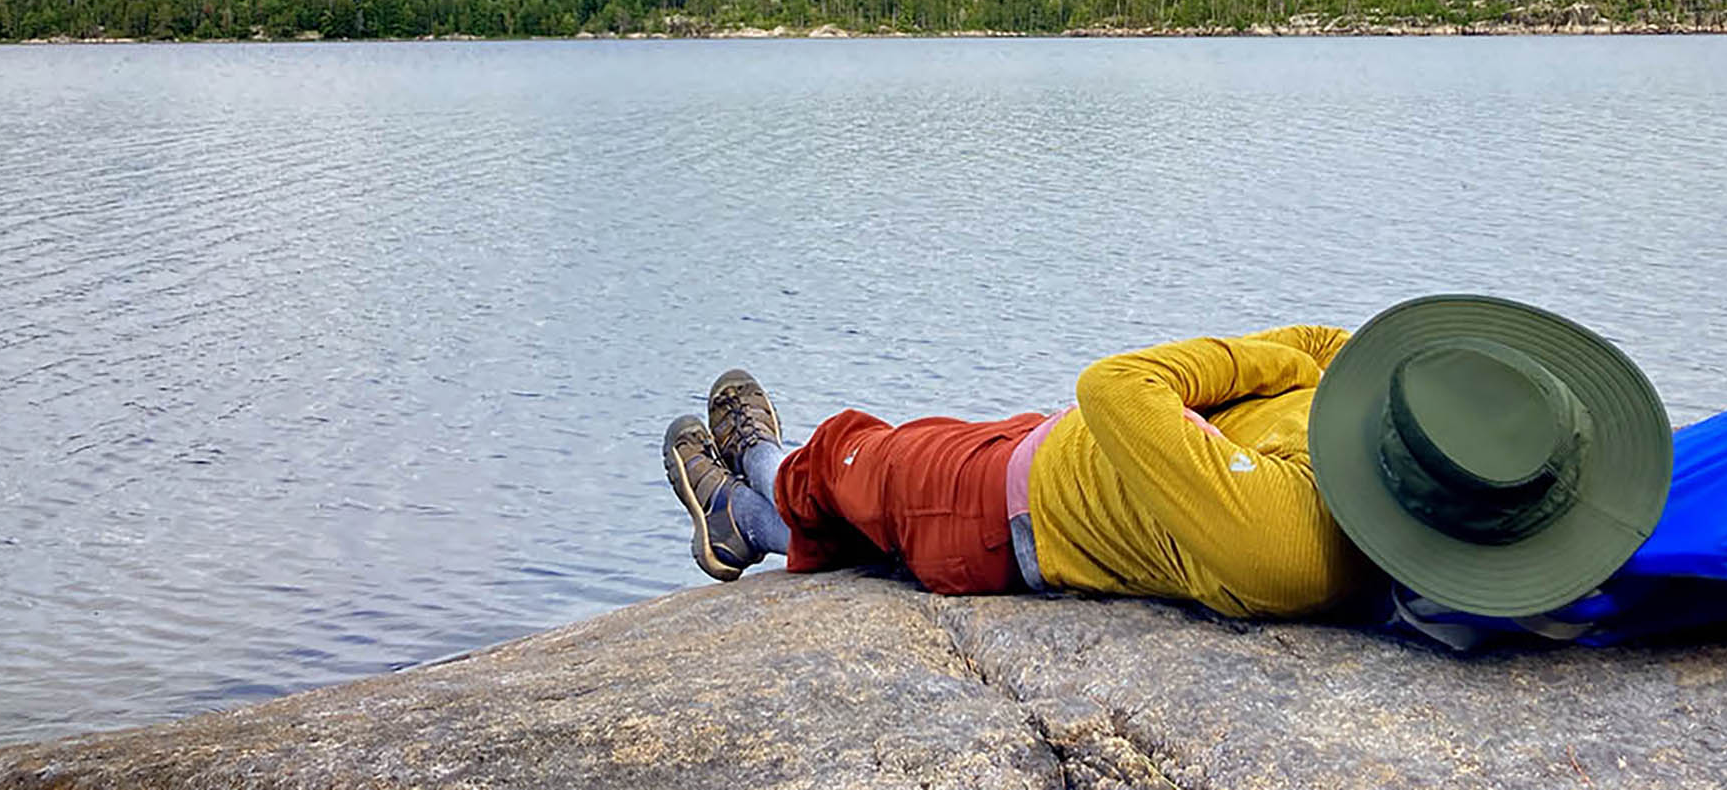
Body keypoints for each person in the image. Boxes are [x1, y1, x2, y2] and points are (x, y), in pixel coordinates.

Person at [662, 294, 1673, 622]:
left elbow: (1119, 386)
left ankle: (745, 486)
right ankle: (755, 490)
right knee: (861, 484)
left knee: (846, 458)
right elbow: (1336, 345)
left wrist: (1264, 367)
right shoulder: (1451, 468)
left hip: (987, 510)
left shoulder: (1290, 541)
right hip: (1054, 449)